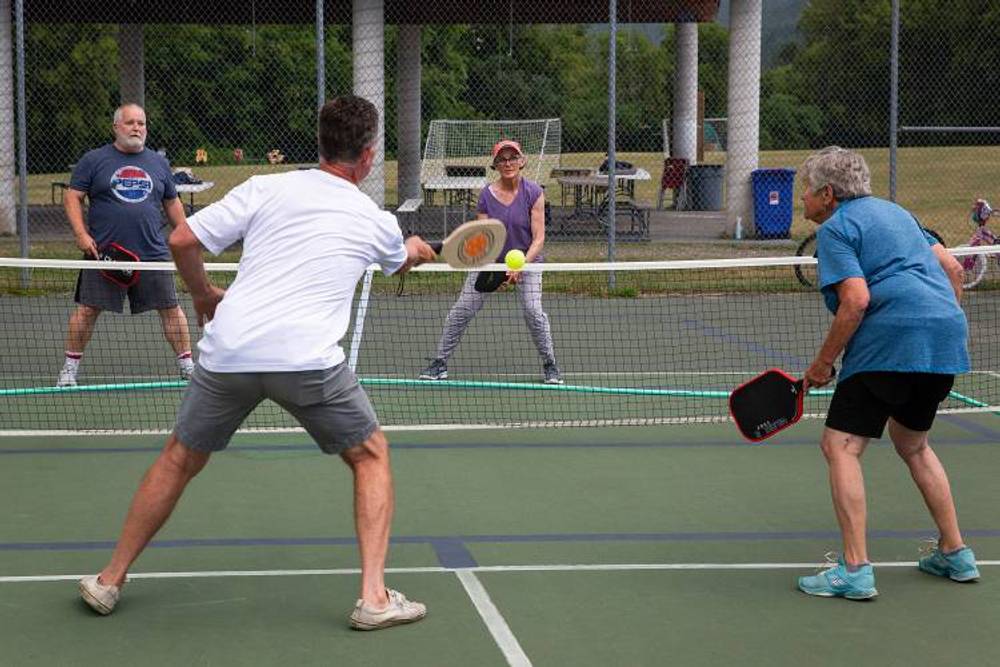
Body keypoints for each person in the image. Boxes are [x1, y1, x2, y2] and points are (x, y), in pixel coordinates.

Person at [77, 95, 437, 630]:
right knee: (370, 456)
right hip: (307, 360)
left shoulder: (268, 186)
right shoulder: (374, 218)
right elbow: (399, 256)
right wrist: (416, 249)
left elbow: (181, 238)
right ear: (367, 157)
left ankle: (109, 580)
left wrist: (201, 295)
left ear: (322, 143)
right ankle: (374, 599)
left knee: (179, 458)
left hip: (230, 351)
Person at [794, 146, 979, 600]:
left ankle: (854, 569)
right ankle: (955, 553)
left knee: (841, 445)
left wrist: (822, 364)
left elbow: (856, 300)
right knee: (913, 443)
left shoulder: (837, 229)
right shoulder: (900, 214)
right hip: (943, 340)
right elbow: (953, 268)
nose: (803, 202)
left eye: (806, 192)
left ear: (828, 194)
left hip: (889, 342)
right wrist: (938, 321)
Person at [57, 103, 194, 387]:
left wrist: (184, 235)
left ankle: (188, 368)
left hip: (151, 254)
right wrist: (81, 235)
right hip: (104, 253)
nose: (136, 128)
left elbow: (172, 202)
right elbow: (73, 198)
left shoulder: (158, 164)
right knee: (86, 311)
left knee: (171, 309)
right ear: (116, 127)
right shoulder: (94, 160)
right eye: (130, 123)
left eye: (141, 123)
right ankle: (68, 372)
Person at [419, 139, 563, 385]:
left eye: (512, 157)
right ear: (495, 165)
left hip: (528, 262)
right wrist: (493, 271)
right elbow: (484, 237)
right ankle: (439, 363)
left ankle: (550, 364)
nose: (508, 163)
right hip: (490, 262)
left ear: (521, 161)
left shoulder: (534, 193)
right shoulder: (486, 195)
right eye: (502, 159)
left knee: (533, 311)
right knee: (461, 311)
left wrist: (518, 267)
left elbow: (538, 239)